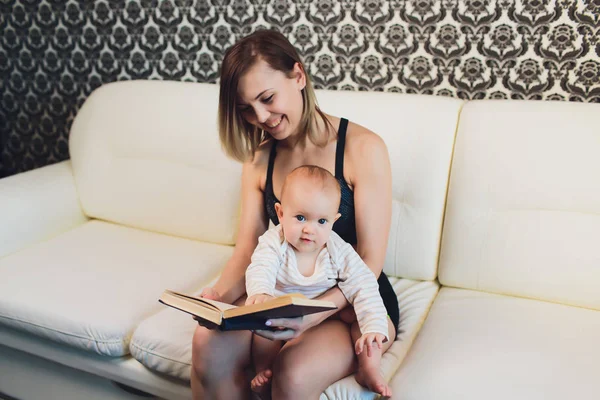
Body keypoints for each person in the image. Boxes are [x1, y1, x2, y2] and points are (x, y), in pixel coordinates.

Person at [191, 29, 399, 400]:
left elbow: (370, 261)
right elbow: (247, 250)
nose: (261, 117)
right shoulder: (259, 159)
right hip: (288, 290)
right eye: (246, 109)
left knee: (293, 372)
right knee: (207, 341)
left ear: (299, 77)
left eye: (267, 98)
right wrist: (218, 297)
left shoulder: (364, 148)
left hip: (351, 297)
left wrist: (309, 315)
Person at [245, 165, 391, 397]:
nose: (309, 230)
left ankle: (369, 368)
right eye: (301, 217)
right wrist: (261, 292)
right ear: (280, 213)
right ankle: (264, 370)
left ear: (334, 220)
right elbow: (260, 266)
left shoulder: (337, 249)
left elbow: (364, 284)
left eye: (322, 221)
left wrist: (372, 326)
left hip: (328, 313)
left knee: (361, 321)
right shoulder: (274, 242)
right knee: (263, 330)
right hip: (285, 308)